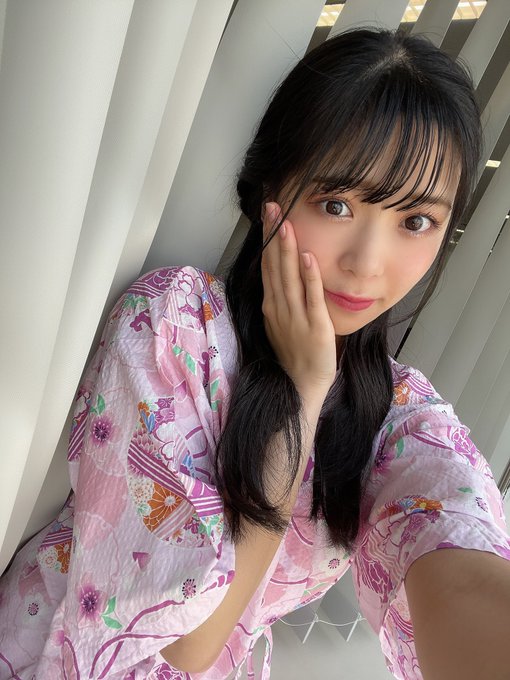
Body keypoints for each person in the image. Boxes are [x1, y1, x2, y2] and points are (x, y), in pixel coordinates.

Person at [1, 26, 509, 680]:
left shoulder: (398, 418)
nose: (367, 263)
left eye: (416, 221)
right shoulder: (176, 329)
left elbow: (463, 561)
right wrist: (301, 392)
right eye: (336, 204)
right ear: (272, 189)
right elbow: (187, 645)